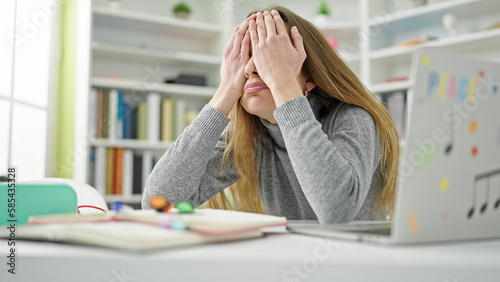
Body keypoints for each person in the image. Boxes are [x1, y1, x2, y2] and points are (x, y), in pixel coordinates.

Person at [142, 6, 400, 224]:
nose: (251, 69)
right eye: (246, 57)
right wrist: (225, 91)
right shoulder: (253, 137)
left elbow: (336, 211)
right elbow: (159, 202)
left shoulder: (352, 119)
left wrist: (283, 83)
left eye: (269, 57)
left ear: (311, 76)